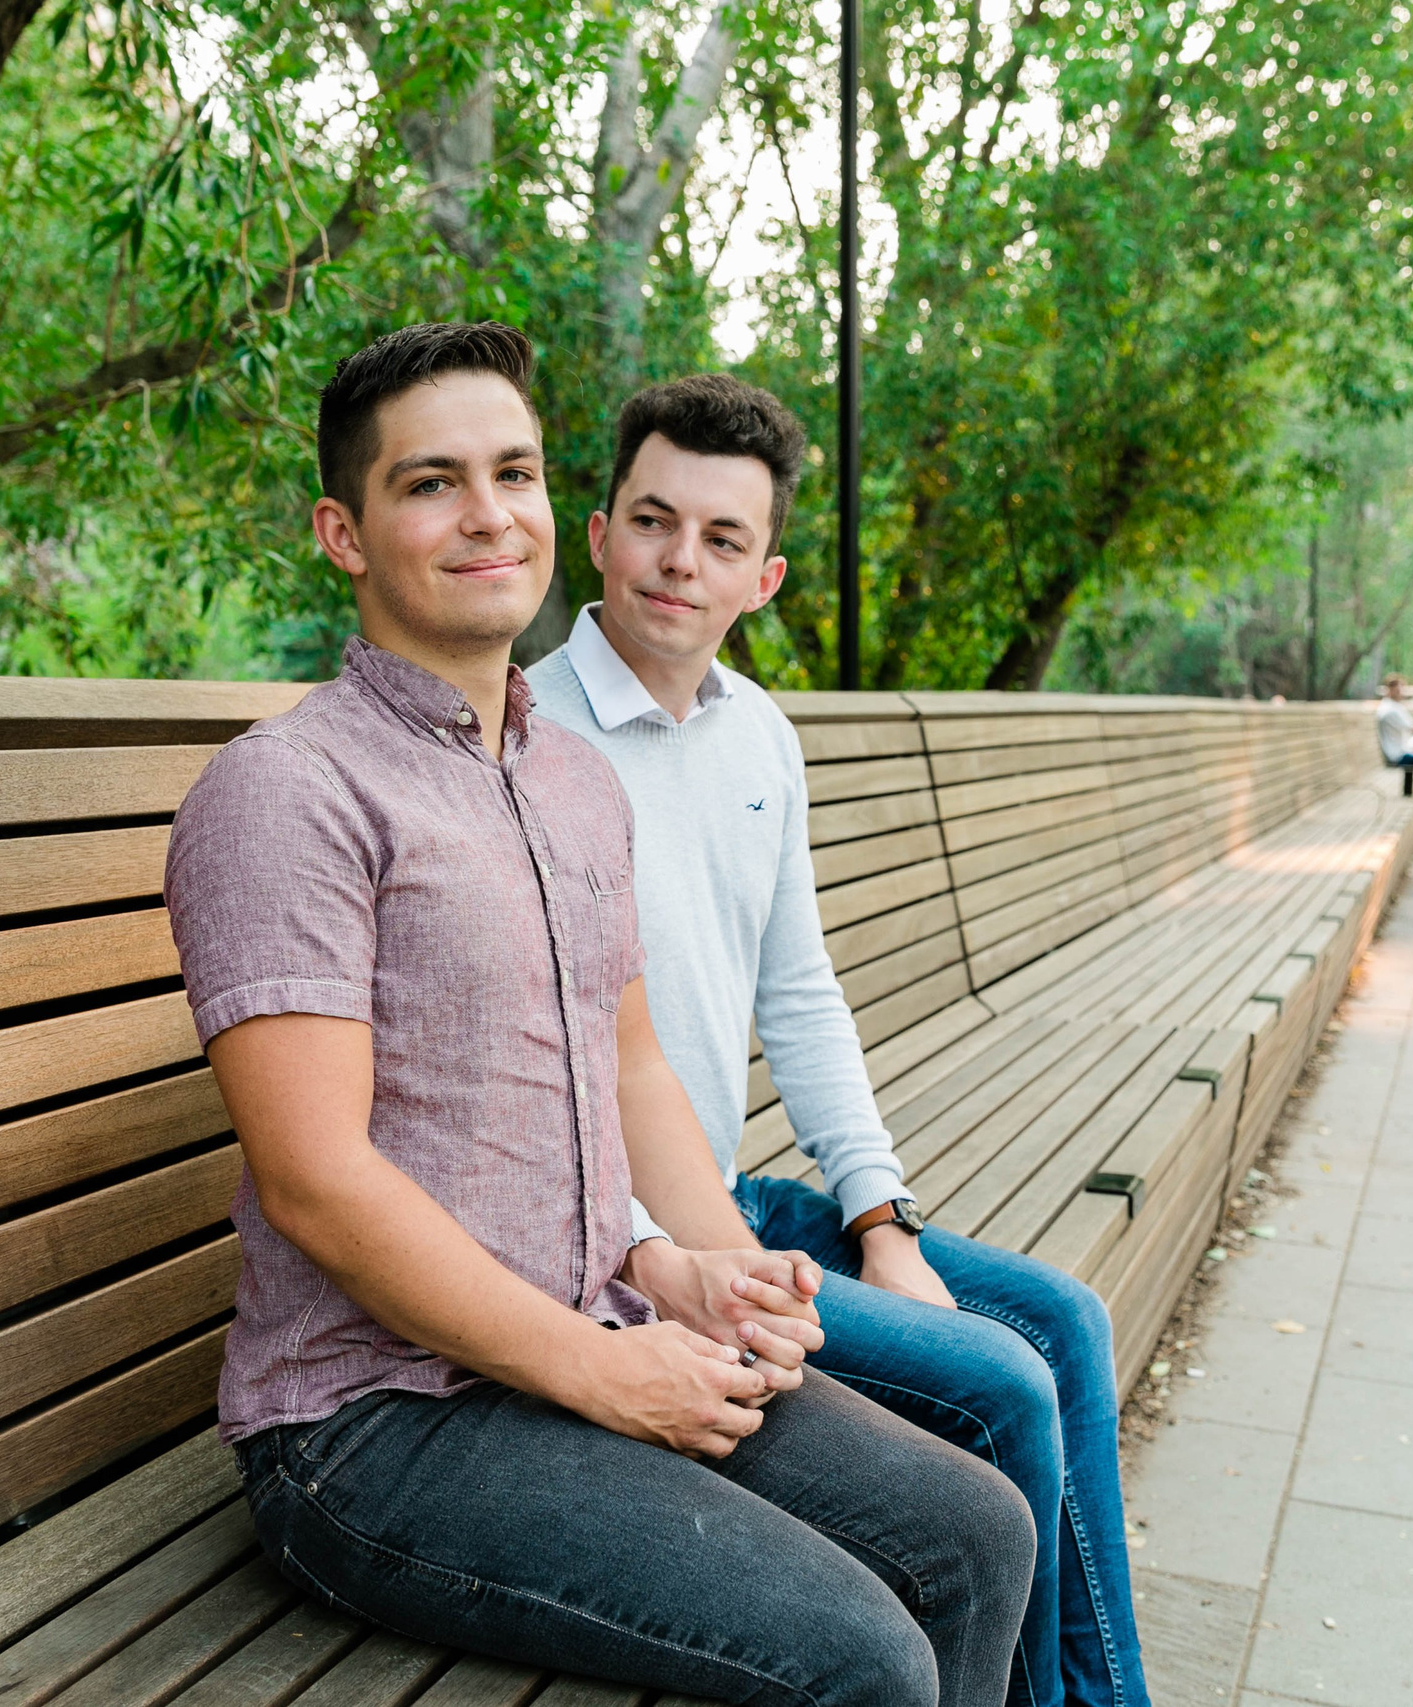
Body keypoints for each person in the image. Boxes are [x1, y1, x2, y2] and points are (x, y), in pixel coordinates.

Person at [165, 322, 1035, 1707]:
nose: (487, 512)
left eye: (510, 470)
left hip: (597, 1330)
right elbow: (317, 1182)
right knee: (861, 1655)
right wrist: (608, 1374)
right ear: (344, 530)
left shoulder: (569, 777)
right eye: (430, 482)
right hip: (376, 1425)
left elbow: (631, 1064)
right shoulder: (288, 791)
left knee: (982, 1530)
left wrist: (725, 1268)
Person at [522, 374, 1147, 1707]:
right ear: (597, 533)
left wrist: (883, 1215)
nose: (680, 560)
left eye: (723, 538)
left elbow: (800, 995)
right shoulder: (527, 739)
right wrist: (688, 1256)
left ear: (767, 575)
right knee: (1003, 1382)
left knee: (1065, 1319)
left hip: (740, 1196)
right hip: (637, 1243)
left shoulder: (761, 735)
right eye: (653, 519)